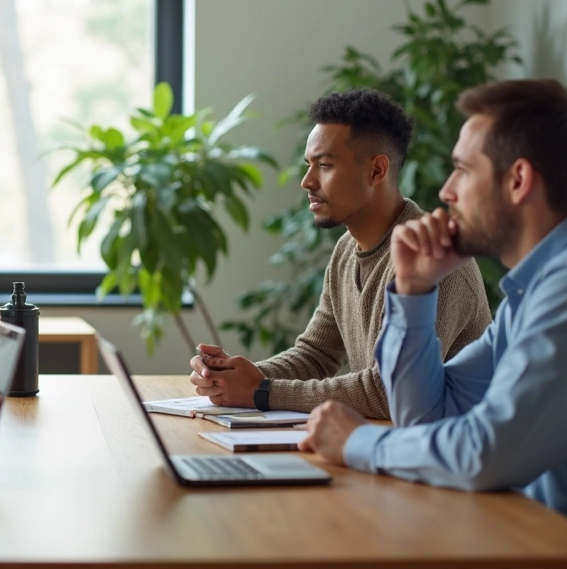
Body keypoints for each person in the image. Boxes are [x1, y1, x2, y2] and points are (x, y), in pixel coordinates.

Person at [299, 79, 567, 552]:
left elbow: (488, 453)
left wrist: (357, 441)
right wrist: (414, 290)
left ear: (518, 180)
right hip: (550, 545)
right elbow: (424, 417)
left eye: (463, 171)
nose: (446, 192)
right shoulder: (535, 292)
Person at [190, 88, 490, 419]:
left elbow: (386, 391)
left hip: (446, 458)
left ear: (376, 171)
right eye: (308, 165)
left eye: (325, 165)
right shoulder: (347, 248)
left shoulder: (434, 262)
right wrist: (231, 378)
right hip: (391, 445)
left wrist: (261, 391)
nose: (306, 181)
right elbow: (315, 355)